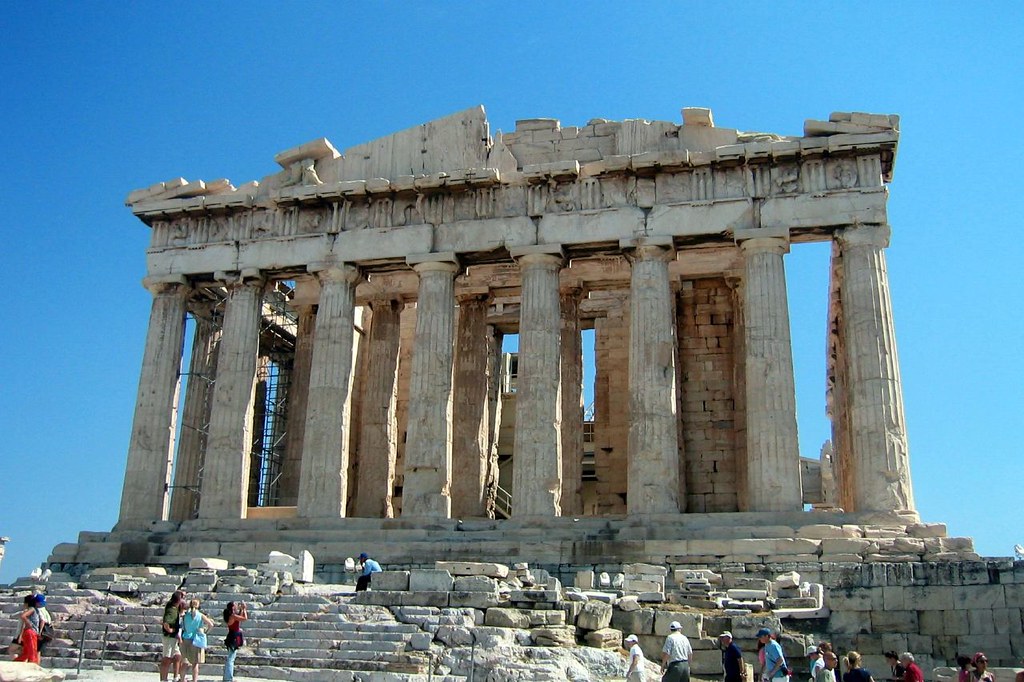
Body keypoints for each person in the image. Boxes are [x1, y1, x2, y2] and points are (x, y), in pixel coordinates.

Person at [180, 599, 215, 682]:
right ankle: (194, 680)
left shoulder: (185, 615)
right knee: (195, 663)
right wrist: (206, 632)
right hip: (196, 639)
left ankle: (182, 679)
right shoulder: (200, 615)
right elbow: (211, 624)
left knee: (184, 662)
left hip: (185, 638)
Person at [159, 590, 186, 682]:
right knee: (167, 658)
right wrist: (170, 630)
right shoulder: (171, 610)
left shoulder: (173, 606)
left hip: (174, 637)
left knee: (177, 656)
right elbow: (166, 623)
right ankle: (163, 679)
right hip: (169, 638)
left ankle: (176, 677)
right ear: (178, 600)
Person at [222, 601, 248, 682]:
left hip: (232, 636)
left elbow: (239, 617)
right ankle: (228, 678)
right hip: (233, 637)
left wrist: (241, 610)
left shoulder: (231, 615)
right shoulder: (232, 616)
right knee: (231, 658)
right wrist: (244, 609)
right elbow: (244, 618)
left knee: (231, 657)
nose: (237, 606)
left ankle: (227, 677)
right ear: (233, 607)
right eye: (235, 605)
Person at [13, 595, 42, 664]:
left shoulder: (35, 610)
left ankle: (15, 663)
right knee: (32, 651)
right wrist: (28, 622)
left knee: (26, 653)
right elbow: (23, 616)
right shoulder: (32, 609)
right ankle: (32, 666)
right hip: (30, 632)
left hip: (30, 633)